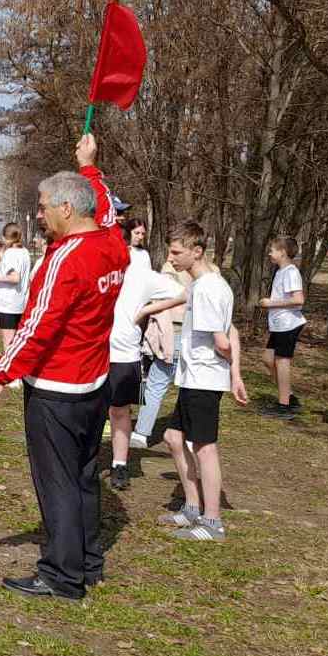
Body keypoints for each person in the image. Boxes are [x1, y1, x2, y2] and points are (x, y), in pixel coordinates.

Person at [0, 134, 128, 600]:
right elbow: (108, 212)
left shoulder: (65, 260)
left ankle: (62, 575)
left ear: (65, 208)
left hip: (58, 389)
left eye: (43, 207)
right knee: (83, 477)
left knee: (57, 482)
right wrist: (91, 167)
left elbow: (36, 327)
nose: (39, 215)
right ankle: (88, 560)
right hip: (94, 385)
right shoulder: (112, 245)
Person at [160, 220, 249, 542]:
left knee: (204, 448)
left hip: (204, 379)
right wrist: (235, 374)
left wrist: (229, 370)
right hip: (193, 376)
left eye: (177, 252)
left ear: (197, 252)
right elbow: (233, 332)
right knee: (172, 436)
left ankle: (213, 522)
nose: (171, 258)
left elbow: (223, 340)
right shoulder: (202, 284)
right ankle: (192, 508)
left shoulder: (210, 287)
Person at [106, 251, 184, 490]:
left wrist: (148, 310)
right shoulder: (91, 269)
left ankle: (120, 464)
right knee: (87, 411)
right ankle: (82, 462)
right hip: (90, 353)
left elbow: (185, 294)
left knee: (120, 412)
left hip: (124, 356)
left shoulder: (140, 276)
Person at [130, 255, 186, 449]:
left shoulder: (169, 272)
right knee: (188, 389)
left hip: (173, 335)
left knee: (155, 386)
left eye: (175, 252)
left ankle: (141, 433)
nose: (171, 257)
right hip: (194, 339)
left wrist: (144, 313)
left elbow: (159, 307)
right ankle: (188, 432)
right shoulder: (212, 273)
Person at [258, 236, 306, 419]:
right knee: (268, 359)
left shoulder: (291, 272)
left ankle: (284, 406)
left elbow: (298, 300)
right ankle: (289, 396)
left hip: (289, 324)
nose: (270, 253)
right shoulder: (280, 271)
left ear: (283, 253)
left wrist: (271, 303)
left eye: (273, 250)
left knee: (281, 361)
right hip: (278, 325)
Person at [0, 223, 31, 357]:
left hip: (8, 304)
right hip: (19, 303)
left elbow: (15, 277)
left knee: (8, 341)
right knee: (17, 340)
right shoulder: (24, 251)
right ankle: (18, 371)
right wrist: (0, 253)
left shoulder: (11, 254)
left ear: (5, 237)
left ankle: (11, 373)